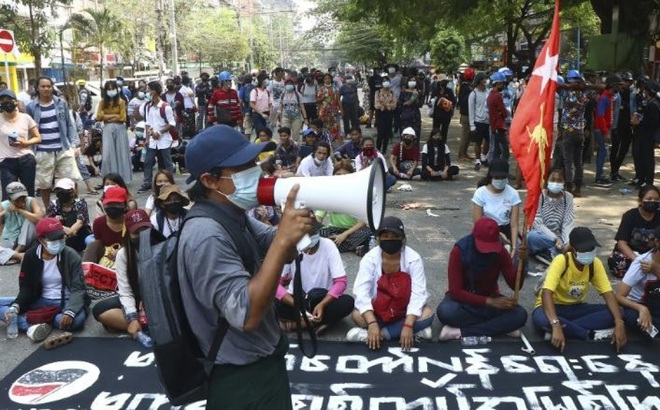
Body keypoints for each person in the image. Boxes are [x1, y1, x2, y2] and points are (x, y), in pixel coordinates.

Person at [178, 124, 312, 408]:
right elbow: (247, 316)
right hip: (240, 377)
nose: (257, 171)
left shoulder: (233, 213)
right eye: (245, 166)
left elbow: (281, 250)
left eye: (255, 162)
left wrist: (297, 218)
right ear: (210, 180)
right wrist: (283, 240)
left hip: (261, 361)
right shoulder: (206, 235)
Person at [532, 227, 627, 352]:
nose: (589, 252)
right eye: (585, 249)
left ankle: (566, 329)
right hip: (551, 307)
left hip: (576, 308)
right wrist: (555, 324)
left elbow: (608, 294)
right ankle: (587, 334)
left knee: (618, 312)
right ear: (573, 249)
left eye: (591, 249)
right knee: (541, 320)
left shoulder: (595, 263)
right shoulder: (562, 261)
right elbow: (546, 293)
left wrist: (619, 322)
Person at [347, 216, 434, 350]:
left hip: (405, 311)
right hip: (378, 311)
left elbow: (418, 294)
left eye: (395, 236)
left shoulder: (414, 259)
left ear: (403, 239)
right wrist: (372, 322)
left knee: (427, 313)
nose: (390, 239)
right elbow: (361, 293)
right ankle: (409, 332)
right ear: (378, 239)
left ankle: (375, 335)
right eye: (385, 236)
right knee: (357, 314)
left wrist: (408, 325)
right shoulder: (369, 259)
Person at [436, 217, 528, 340]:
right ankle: (500, 326)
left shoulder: (500, 251)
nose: (488, 251)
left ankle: (461, 332)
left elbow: (514, 284)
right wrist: (490, 302)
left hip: (490, 299)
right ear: (474, 238)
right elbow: (455, 291)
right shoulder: (459, 251)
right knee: (445, 312)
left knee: (520, 314)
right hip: (464, 302)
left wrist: (522, 261)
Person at [0, 218, 90, 342]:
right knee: (8, 309)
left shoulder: (71, 255)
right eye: (53, 239)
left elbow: (78, 288)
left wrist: (70, 311)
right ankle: (39, 324)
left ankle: (33, 322)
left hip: (65, 302)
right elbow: (26, 288)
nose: (58, 242)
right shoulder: (30, 256)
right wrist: (16, 307)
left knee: (77, 321)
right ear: (41, 240)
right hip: (40, 300)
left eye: (60, 237)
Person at [92, 210, 165, 334]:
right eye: (136, 233)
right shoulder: (123, 254)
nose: (141, 236)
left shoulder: (163, 247)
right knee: (100, 309)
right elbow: (125, 291)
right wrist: (132, 317)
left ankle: (148, 326)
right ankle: (144, 325)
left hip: (161, 298)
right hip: (138, 298)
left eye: (145, 230)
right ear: (128, 234)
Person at [275, 222, 354, 334]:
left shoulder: (328, 246)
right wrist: (295, 304)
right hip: (296, 300)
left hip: (321, 299)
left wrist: (322, 304)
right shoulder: (291, 247)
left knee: (347, 302)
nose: (310, 236)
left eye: (312, 233)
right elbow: (276, 283)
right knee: (268, 301)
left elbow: (341, 282)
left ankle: (302, 324)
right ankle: (318, 322)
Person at [25, 77, 82, 206]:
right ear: (37, 88)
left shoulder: (61, 103)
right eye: (43, 86)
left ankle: (73, 208)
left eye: (48, 86)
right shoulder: (31, 107)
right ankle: (48, 210)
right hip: (42, 151)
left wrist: (74, 146)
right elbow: (28, 129)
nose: (46, 89)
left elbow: (69, 125)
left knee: (70, 180)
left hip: (63, 148)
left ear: (52, 87)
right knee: (44, 184)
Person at [317, 160, 373, 255]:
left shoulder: (358, 193)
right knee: (315, 234)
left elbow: (363, 221)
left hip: (354, 230)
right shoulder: (327, 193)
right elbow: (319, 217)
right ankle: (354, 248)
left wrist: (344, 235)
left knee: (368, 231)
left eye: (345, 175)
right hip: (334, 229)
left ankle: (329, 246)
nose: (341, 178)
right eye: (338, 175)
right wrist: (313, 230)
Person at [615, 227, 660, 338]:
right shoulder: (642, 262)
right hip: (638, 306)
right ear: (657, 241)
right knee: (634, 320)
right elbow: (619, 296)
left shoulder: (653, 267)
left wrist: (656, 270)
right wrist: (641, 309)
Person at [608, 184, 660, 278]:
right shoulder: (630, 216)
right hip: (632, 254)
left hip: (653, 254)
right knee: (618, 262)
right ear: (640, 201)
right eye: (649, 199)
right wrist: (637, 260)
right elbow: (621, 243)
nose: (653, 201)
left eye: (656, 199)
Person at [472, 158, 521, 254]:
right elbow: (477, 223)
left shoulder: (513, 194)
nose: (500, 180)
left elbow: (514, 225)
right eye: (497, 177)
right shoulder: (480, 193)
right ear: (490, 176)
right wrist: (499, 234)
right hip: (486, 229)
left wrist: (515, 247)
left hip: (506, 229)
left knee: (519, 253)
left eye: (503, 177)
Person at [527, 168, 575, 264]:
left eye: (559, 180)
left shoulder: (568, 197)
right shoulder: (540, 196)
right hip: (543, 235)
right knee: (531, 237)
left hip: (560, 237)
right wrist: (555, 239)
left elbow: (568, 221)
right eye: (553, 180)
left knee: (580, 238)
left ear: (564, 182)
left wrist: (567, 243)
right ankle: (555, 252)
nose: (556, 183)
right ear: (547, 180)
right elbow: (537, 222)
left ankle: (551, 252)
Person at [0, 89, 41, 200]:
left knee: (28, 194)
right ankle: (9, 217)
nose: (6, 102)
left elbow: (38, 138)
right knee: (7, 196)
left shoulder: (25, 118)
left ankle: (30, 216)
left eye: (9, 99)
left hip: (26, 159)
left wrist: (25, 142)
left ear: (16, 102)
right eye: (3, 100)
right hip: (6, 162)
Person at [137, 81, 176, 194]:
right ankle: (147, 183)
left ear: (154, 92)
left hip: (164, 140)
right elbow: (148, 123)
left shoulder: (165, 107)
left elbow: (171, 123)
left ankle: (170, 183)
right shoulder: (148, 107)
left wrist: (159, 132)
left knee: (166, 162)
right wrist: (148, 137)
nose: (147, 92)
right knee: (148, 162)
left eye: (149, 90)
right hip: (153, 141)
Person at [96, 80, 132, 184]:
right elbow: (98, 116)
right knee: (108, 154)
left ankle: (123, 178)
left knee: (121, 153)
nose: (111, 91)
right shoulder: (102, 102)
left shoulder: (121, 101)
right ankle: (109, 179)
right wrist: (114, 116)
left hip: (120, 129)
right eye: (109, 89)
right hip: (107, 130)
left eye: (113, 89)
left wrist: (107, 117)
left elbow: (123, 118)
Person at [84, 186, 128, 268]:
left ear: (125, 205)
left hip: (128, 259)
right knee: (93, 246)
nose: (112, 207)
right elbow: (98, 246)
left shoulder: (130, 222)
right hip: (106, 260)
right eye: (109, 204)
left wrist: (121, 252)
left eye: (117, 204)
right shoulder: (99, 223)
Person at [0, 182, 44, 265]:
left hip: (29, 240)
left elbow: (40, 218)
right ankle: (19, 256)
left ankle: (15, 253)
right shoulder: (3, 205)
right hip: (10, 240)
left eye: (23, 198)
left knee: (30, 220)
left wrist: (19, 210)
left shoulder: (31, 201)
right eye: (17, 200)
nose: (21, 202)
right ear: (10, 199)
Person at [47, 178, 91, 253]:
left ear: (72, 192)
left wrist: (69, 232)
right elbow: (49, 222)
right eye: (58, 191)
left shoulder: (80, 202)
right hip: (61, 235)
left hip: (80, 235)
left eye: (64, 191)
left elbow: (80, 222)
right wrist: (63, 228)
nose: (61, 193)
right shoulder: (53, 204)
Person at [593, 74, 622, 186]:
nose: (619, 88)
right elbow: (600, 117)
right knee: (603, 152)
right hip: (601, 130)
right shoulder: (604, 98)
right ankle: (598, 177)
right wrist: (605, 132)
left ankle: (600, 175)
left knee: (603, 152)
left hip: (604, 129)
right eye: (618, 85)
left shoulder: (609, 97)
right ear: (613, 85)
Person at [631, 80, 660, 188]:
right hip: (645, 134)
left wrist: (639, 122)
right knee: (642, 157)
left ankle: (648, 182)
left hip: (648, 135)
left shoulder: (653, 104)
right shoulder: (651, 102)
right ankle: (642, 179)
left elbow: (652, 121)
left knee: (648, 159)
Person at [469, 72, 490, 170]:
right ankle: (477, 160)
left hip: (488, 121)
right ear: (479, 81)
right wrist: (472, 125)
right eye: (483, 79)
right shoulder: (473, 94)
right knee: (478, 142)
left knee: (489, 140)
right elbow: (471, 110)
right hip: (478, 121)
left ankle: (483, 156)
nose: (485, 81)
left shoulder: (488, 92)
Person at [487, 72, 510, 162]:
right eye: (502, 83)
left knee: (495, 149)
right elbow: (504, 112)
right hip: (499, 126)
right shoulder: (497, 96)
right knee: (504, 151)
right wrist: (502, 113)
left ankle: (492, 171)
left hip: (494, 125)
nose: (503, 86)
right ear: (498, 83)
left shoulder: (491, 95)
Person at [317, 73, 343, 145]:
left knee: (336, 128)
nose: (327, 80)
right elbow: (318, 101)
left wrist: (342, 110)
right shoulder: (321, 89)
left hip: (334, 111)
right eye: (325, 79)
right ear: (323, 80)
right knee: (325, 128)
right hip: (324, 112)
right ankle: (326, 143)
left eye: (328, 78)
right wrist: (323, 98)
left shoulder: (335, 88)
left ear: (331, 79)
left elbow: (338, 100)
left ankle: (336, 144)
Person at [374, 78, 397, 154]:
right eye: (384, 81)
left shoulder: (392, 93)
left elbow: (394, 104)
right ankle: (377, 150)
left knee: (387, 133)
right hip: (380, 114)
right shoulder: (378, 92)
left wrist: (384, 104)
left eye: (387, 81)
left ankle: (384, 151)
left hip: (389, 115)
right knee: (380, 133)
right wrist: (387, 105)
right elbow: (377, 104)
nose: (386, 83)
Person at [457, 68, 475, 161]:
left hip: (467, 114)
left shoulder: (465, 86)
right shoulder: (466, 88)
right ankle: (461, 154)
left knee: (468, 135)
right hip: (466, 114)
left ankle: (464, 152)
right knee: (465, 135)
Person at [431, 79, 456, 144]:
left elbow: (453, 101)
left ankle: (443, 144)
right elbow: (431, 100)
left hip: (446, 114)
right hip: (437, 114)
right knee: (435, 129)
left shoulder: (449, 91)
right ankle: (434, 143)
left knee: (444, 130)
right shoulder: (436, 91)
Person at [398, 77, 421, 141]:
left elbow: (420, 104)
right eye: (410, 80)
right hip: (405, 116)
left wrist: (416, 98)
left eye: (414, 80)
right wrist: (407, 103)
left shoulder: (418, 92)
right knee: (404, 135)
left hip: (415, 116)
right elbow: (400, 104)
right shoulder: (403, 92)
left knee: (415, 135)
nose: (412, 81)